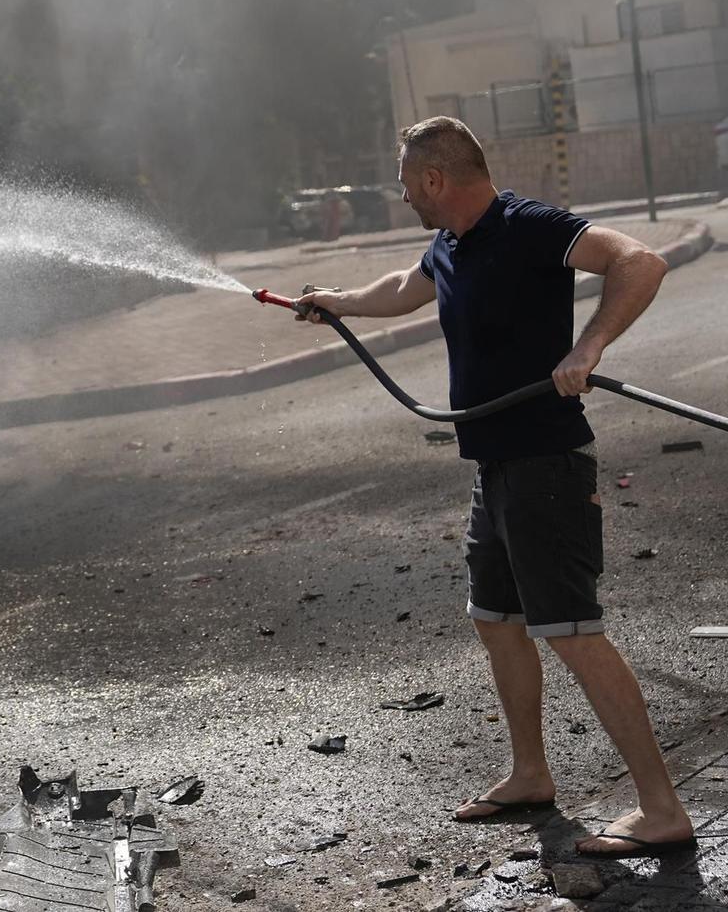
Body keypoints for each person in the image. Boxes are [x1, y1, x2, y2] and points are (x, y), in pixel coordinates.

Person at [296, 116, 693, 858]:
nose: (404, 195)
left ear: (435, 179)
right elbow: (404, 288)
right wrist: (339, 300)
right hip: (496, 468)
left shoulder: (529, 225)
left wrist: (589, 344)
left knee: (574, 634)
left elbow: (641, 261)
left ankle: (661, 807)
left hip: (548, 464)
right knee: (497, 618)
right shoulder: (450, 244)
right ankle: (530, 773)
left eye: (407, 182)